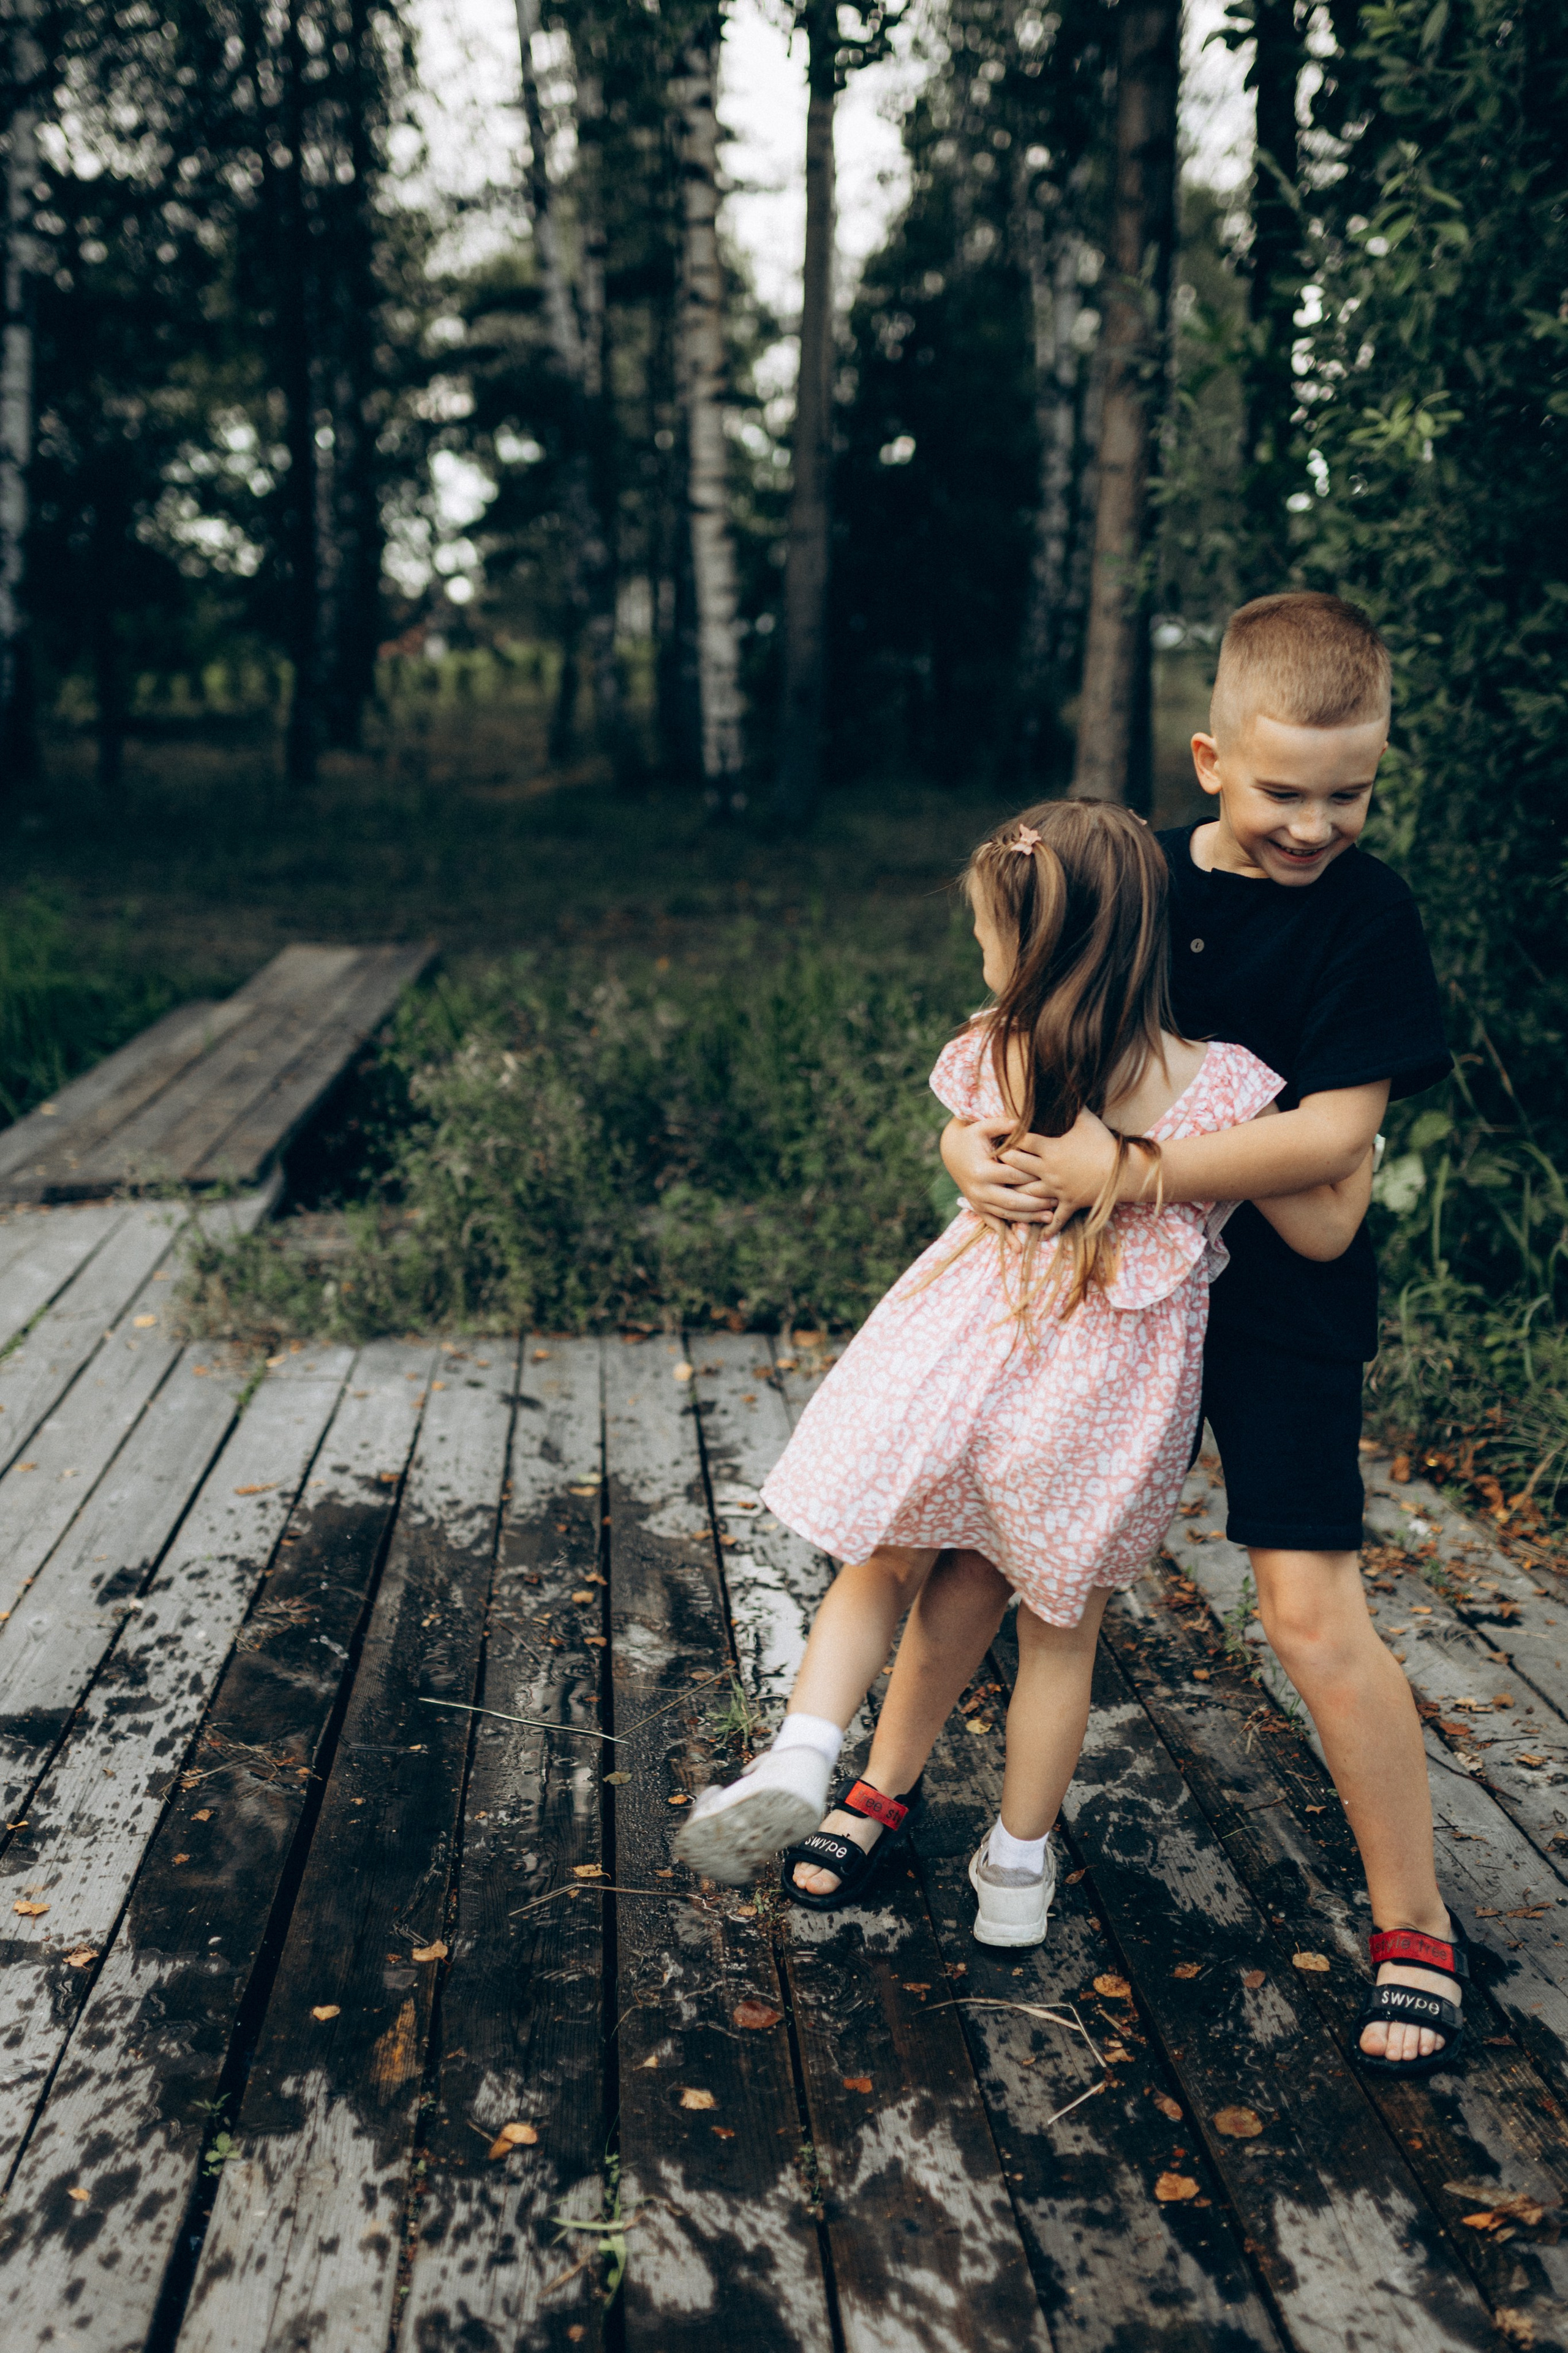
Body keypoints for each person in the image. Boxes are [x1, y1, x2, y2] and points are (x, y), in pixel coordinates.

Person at [785, 594, 1462, 2080]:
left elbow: (1335, 1155)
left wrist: (1135, 1169)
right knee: (974, 1547)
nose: (1314, 823)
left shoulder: (1368, 917)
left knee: (1302, 1603)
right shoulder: (1126, 872)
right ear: (1211, 759)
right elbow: (1015, 1036)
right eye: (1284, 791)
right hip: (1088, 1302)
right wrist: (973, 1149)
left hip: (1274, 1308)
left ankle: (1412, 1922)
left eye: (1348, 793)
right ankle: (883, 1791)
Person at [676, 795, 1367, 1958]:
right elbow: (1324, 1214)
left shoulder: (999, 1053)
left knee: (885, 1557)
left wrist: (964, 1144)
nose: (983, 957)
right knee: (1060, 1632)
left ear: (1027, 948)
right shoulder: (1228, 1086)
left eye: (991, 938)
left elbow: (961, 1125)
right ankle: (1017, 1871)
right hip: (1101, 1413)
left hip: (965, 1363)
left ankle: (803, 1747)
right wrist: (1348, 1155)